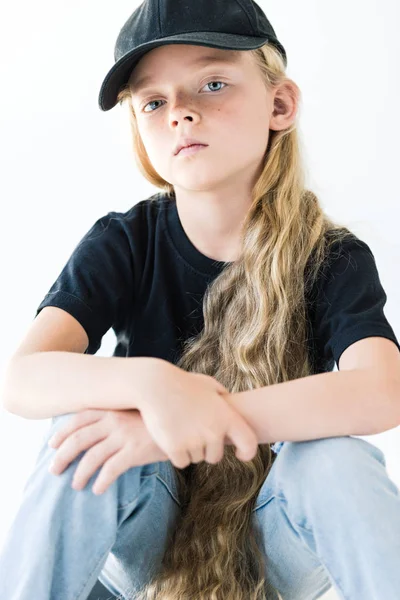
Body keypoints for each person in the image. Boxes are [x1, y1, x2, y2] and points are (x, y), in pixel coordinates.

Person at [1, 0, 400, 599]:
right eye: (154, 102)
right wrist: (153, 389)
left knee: (335, 463)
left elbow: (381, 391)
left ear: (280, 104)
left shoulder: (332, 256)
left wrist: (178, 427)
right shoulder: (124, 243)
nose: (181, 113)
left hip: (277, 540)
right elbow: (23, 380)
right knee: (89, 431)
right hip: (149, 542)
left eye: (211, 84)